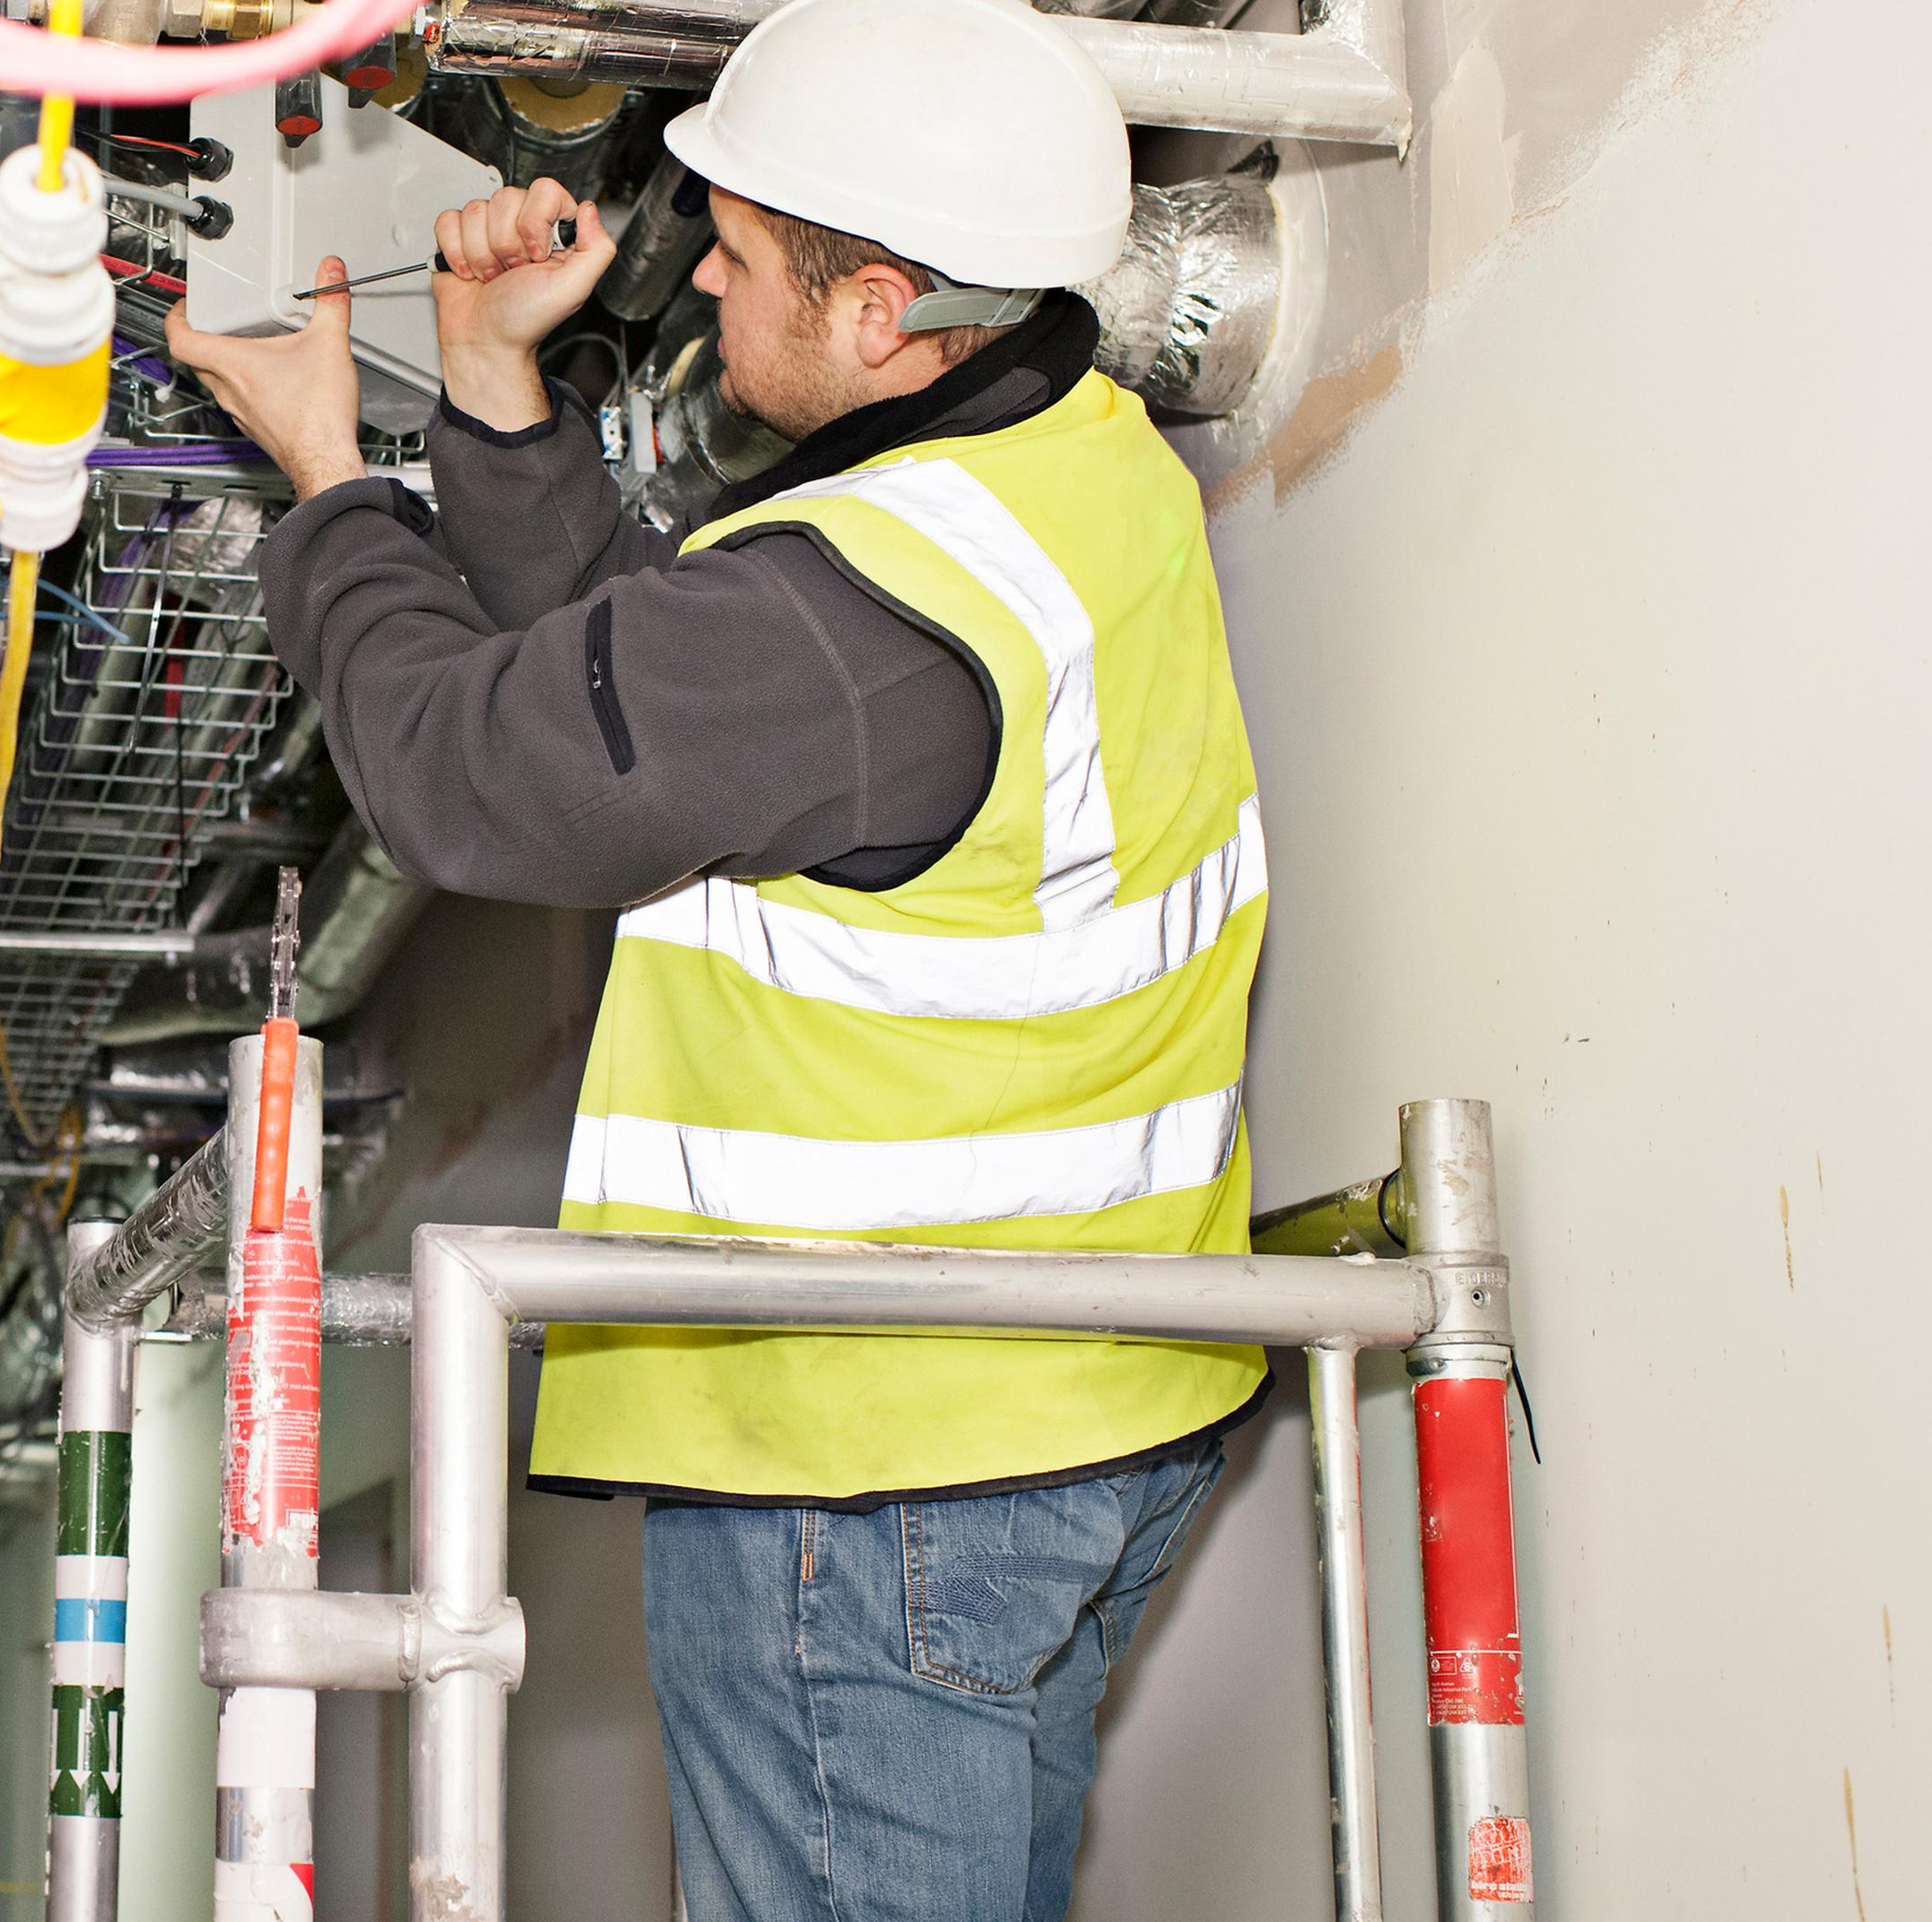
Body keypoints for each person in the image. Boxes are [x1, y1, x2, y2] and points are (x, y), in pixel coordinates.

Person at [166, 0, 1268, 1914]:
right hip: (1075, 1401)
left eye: (742, 259)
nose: (705, 290)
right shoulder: (1067, 479)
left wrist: (334, 480)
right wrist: (498, 401)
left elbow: (467, 776)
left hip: (876, 1459)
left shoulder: (864, 616)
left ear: (879, 311)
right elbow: (669, 696)